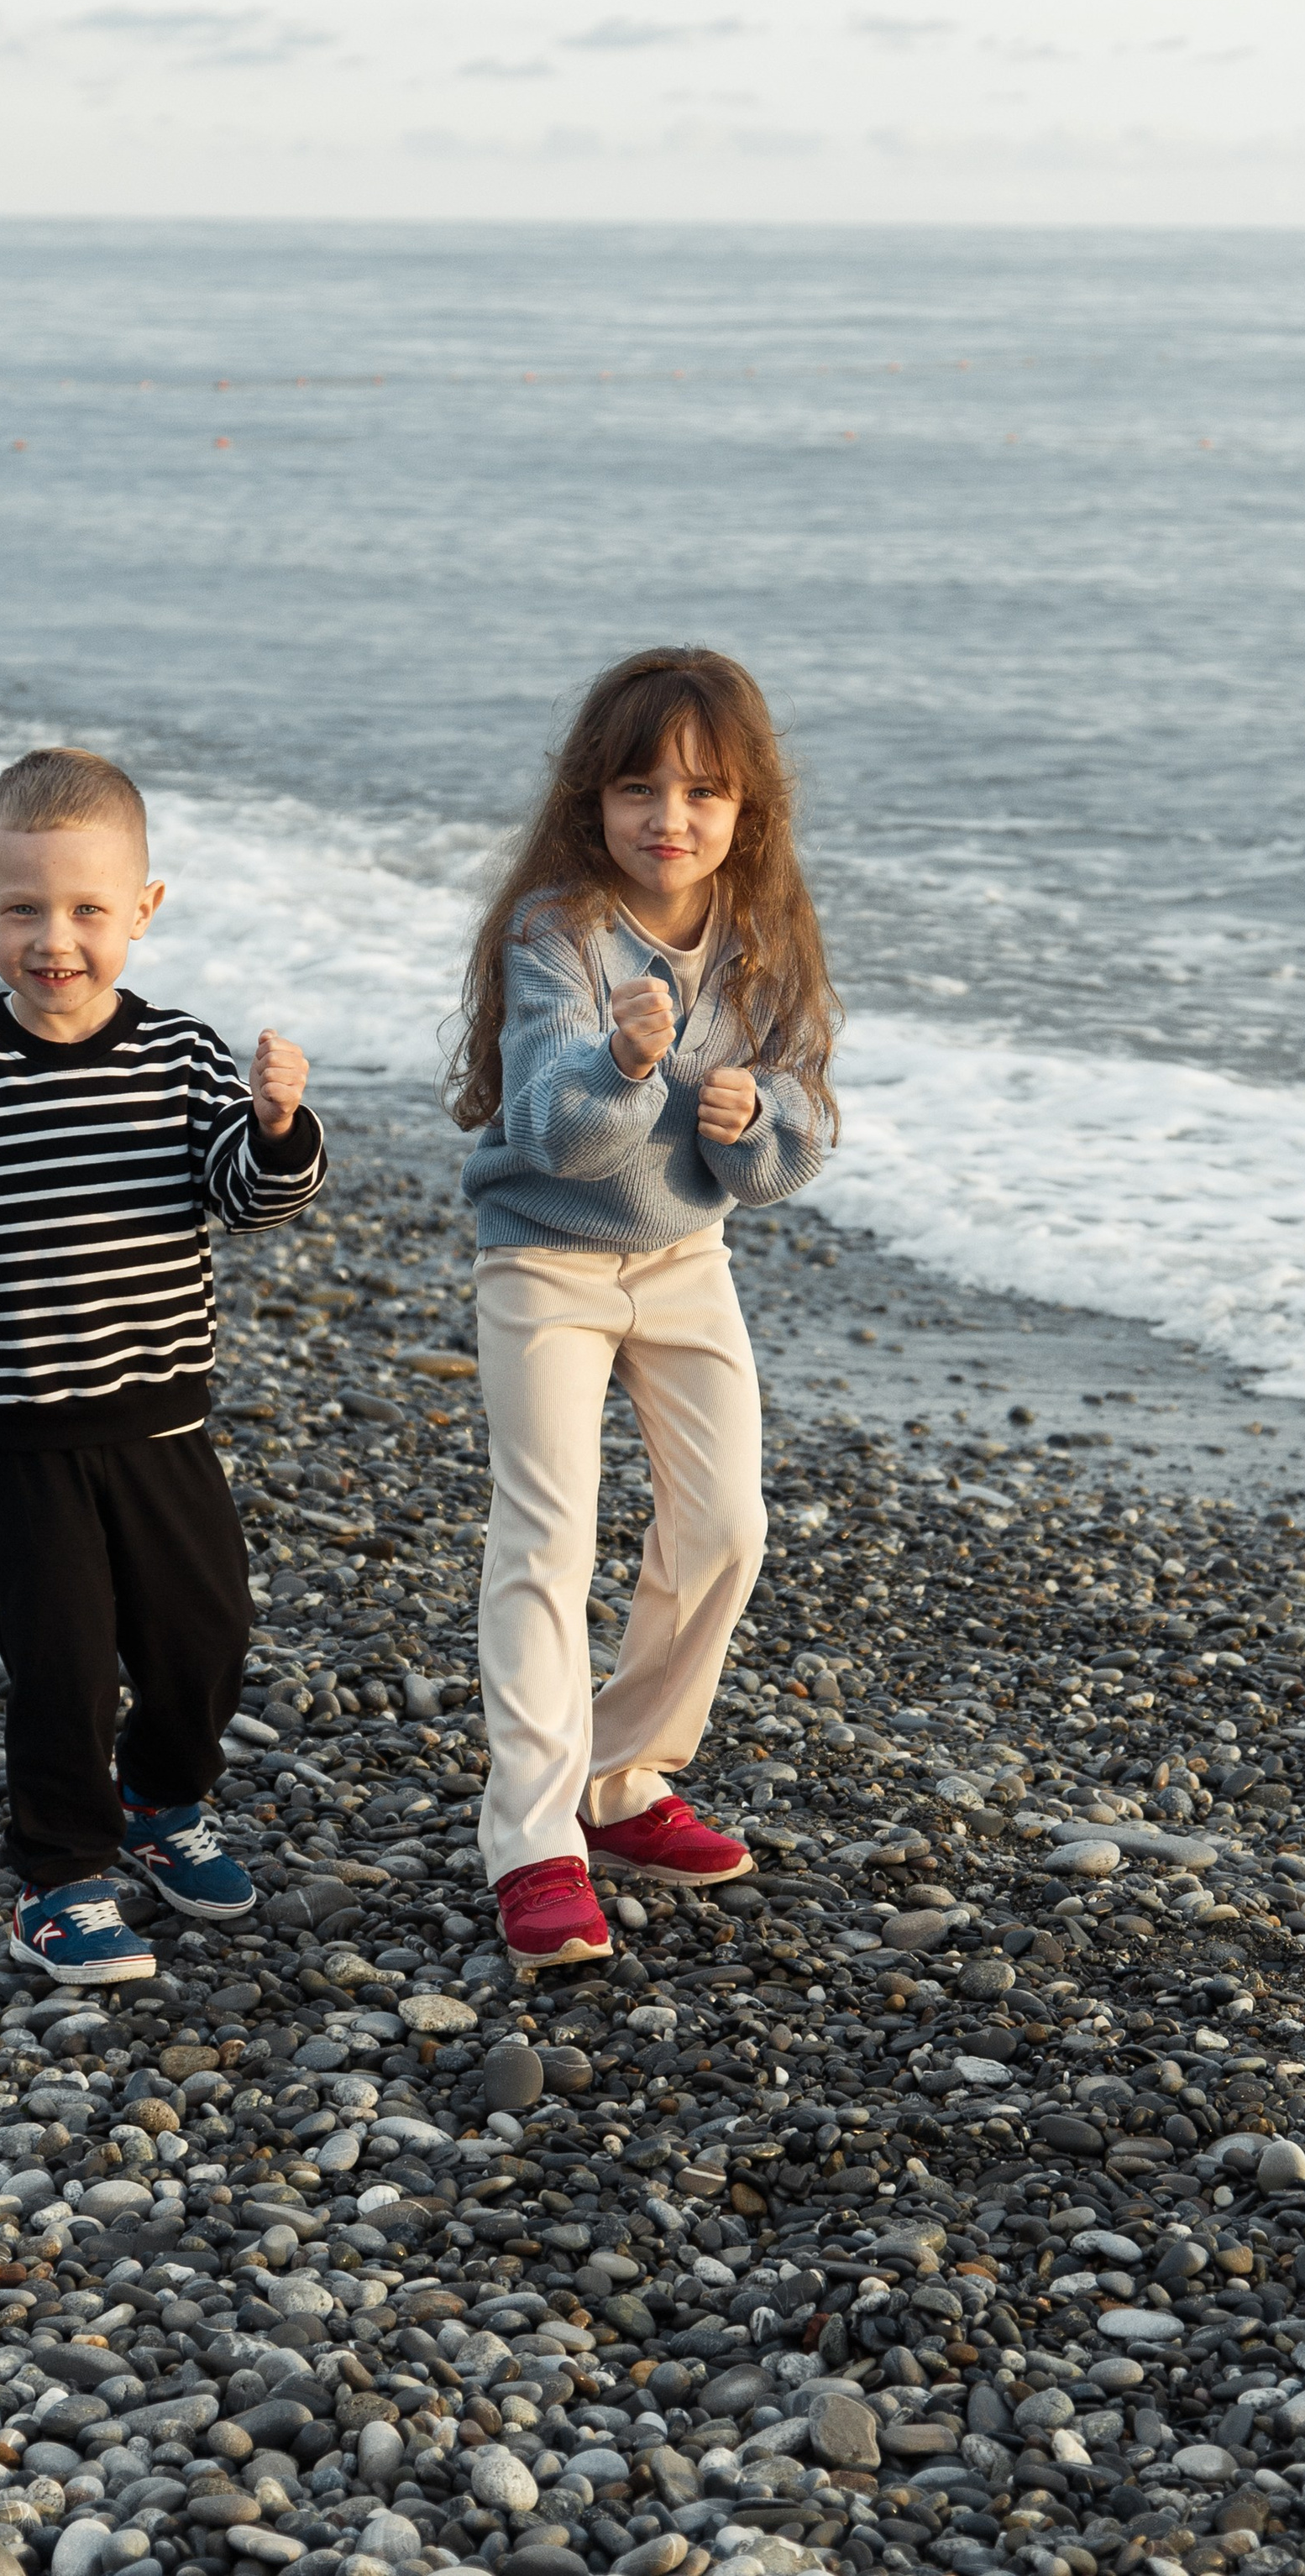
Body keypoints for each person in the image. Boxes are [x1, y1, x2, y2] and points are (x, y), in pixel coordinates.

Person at [0, 745, 326, 1985]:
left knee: (203, 1638)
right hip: (25, 1431)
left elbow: (245, 1196)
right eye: (24, 910)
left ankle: (166, 1806)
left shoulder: (182, 1057)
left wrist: (275, 1130)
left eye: (88, 910)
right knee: (57, 1660)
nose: (56, 939)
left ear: (143, 911)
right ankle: (59, 1880)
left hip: (163, 1420)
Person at [448, 647, 838, 1966]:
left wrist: (756, 1117)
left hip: (684, 1260)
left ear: (748, 812)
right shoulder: (556, 929)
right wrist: (628, 1062)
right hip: (544, 1255)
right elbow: (554, 1130)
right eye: (637, 787)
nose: (669, 817)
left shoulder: (761, 930)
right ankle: (534, 1834)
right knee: (549, 1535)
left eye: (702, 793)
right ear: (591, 800)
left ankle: (619, 1777)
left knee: (729, 1525)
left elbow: (802, 1123)